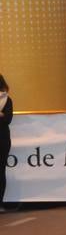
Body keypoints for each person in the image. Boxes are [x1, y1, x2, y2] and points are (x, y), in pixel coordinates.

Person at [0, 74, 11, 213]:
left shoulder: (6, 100)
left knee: (0, 171)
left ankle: (0, 202)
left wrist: (2, 115)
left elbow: (7, 119)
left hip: (2, 139)